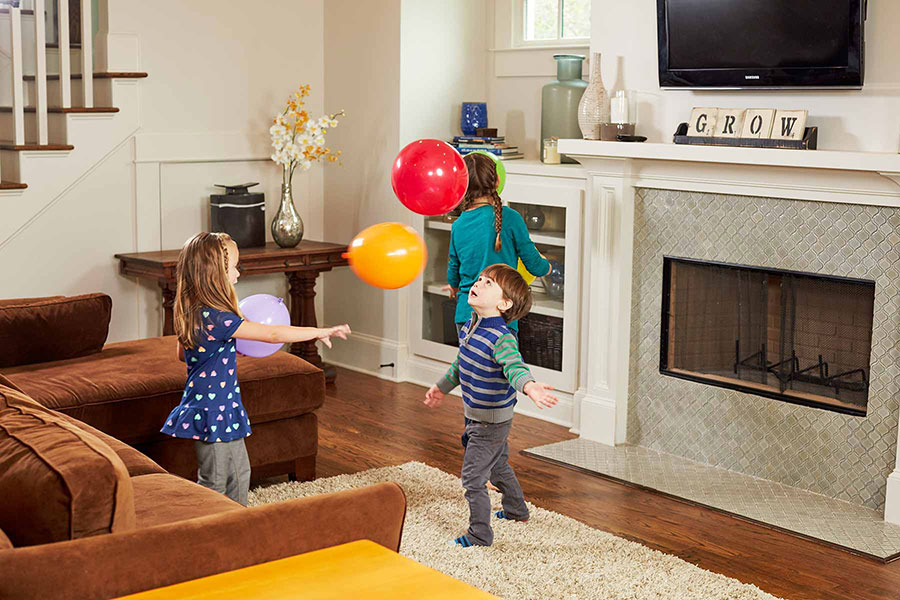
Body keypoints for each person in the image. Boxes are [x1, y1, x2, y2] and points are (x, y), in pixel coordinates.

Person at [161, 232, 350, 505]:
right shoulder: (219, 318)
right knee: (214, 480)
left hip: (221, 406)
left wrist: (221, 349)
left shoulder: (195, 311)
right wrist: (318, 331)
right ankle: (206, 529)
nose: (238, 274)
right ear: (216, 274)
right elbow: (273, 334)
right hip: (213, 410)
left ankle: (237, 524)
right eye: (234, 268)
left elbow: (184, 354)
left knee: (239, 474)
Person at [424, 264, 558, 547]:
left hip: (491, 421)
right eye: (480, 279)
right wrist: (440, 386)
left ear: (504, 303)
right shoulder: (472, 327)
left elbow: (515, 368)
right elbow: (461, 365)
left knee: (473, 479)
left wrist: (530, 386)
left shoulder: (501, 338)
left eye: (488, 284)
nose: (478, 283)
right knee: (497, 465)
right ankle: (516, 510)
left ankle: (480, 534)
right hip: (475, 414)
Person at [446, 152, 552, 449]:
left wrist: (456, 287)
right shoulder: (512, 219)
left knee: (473, 385)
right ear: (496, 181)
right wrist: (547, 266)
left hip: (466, 315)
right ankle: (491, 456)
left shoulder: (458, 225)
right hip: (502, 318)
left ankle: (475, 450)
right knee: (500, 386)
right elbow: (535, 266)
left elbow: (453, 271)